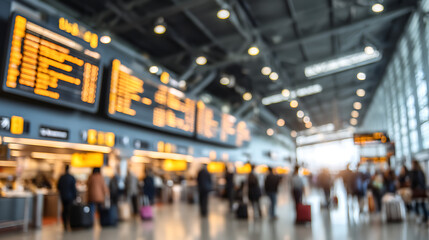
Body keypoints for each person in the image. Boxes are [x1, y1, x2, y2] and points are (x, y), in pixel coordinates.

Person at [57, 165, 77, 231]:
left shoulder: (61, 177)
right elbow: (74, 188)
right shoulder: (71, 177)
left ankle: (65, 223)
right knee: (69, 210)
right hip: (70, 197)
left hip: (63, 196)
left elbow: (58, 186)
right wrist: (75, 196)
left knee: (64, 210)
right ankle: (69, 223)